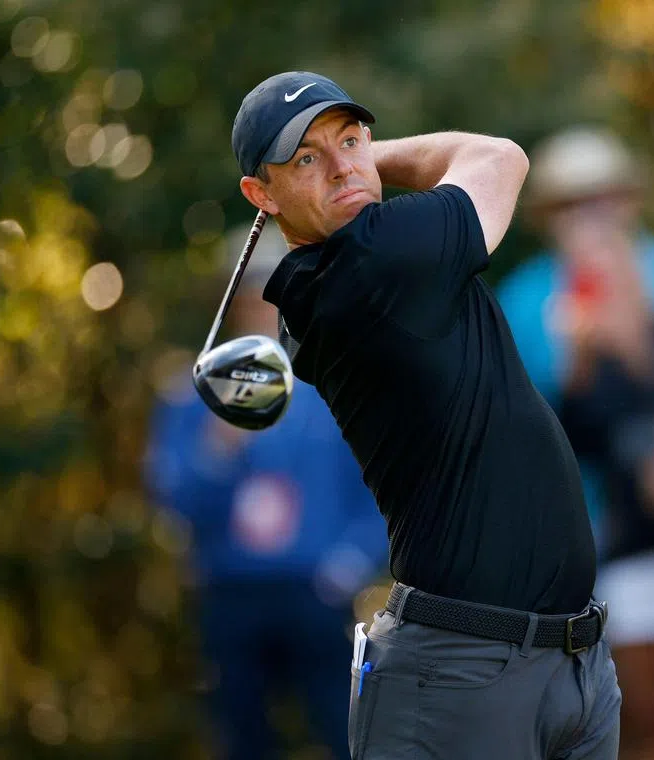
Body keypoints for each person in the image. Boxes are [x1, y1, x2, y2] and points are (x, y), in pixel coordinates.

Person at [232, 71, 620, 759]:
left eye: (350, 139)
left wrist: (334, 164)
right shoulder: (374, 256)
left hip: (567, 664)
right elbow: (500, 158)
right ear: (261, 195)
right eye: (305, 159)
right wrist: (366, 164)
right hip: (462, 673)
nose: (341, 164)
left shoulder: (356, 263)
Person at [497, 127, 654, 760]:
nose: (591, 216)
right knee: (635, 718)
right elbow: (526, 422)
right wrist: (578, 352)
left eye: (603, 197)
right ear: (549, 217)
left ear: (629, 200)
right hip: (595, 535)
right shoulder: (526, 297)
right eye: (572, 203)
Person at [143, 235, 387, 760]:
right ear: (230, 304)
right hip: (229, 591)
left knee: (342, 734)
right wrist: (218, 445)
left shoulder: (336, 392)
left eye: (278, 296)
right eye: (252, 296)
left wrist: (345, 566)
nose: (264, 309)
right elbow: (176, 502)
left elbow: (377, 497)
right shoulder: (191, 399)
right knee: (240, 735)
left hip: (314, 591)